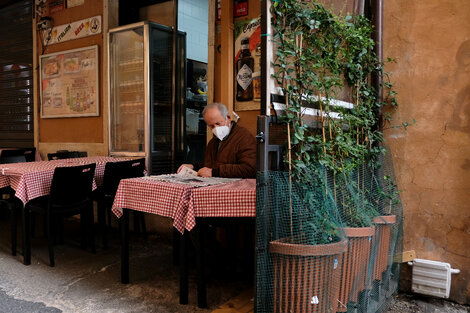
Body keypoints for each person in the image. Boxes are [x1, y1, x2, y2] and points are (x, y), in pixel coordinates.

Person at [178, 102, 257, 178]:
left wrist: (214, 172)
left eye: (218, 123)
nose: (216, 128)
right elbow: (210, 166)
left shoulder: (244, 138)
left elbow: (249, 169)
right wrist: (193, 166)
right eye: (212, 126)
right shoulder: (213, 142)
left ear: (228, 119)